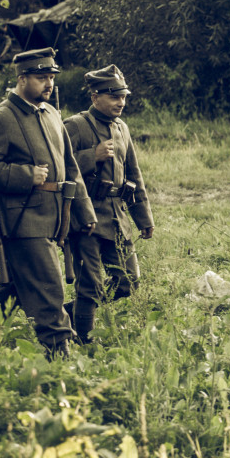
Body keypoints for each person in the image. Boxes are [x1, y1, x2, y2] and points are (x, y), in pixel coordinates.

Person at [0, 48, 97, 358]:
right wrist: (24, 175)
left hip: (54, 217)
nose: (49, 84)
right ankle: (60, 355)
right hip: (22, 221)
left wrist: (84, 211)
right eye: (41, 78)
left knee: (14, 291)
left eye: (51, 78)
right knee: (50, 290)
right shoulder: (1, 118)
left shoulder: (51, 114)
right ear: (22, 79)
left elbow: (70, 166)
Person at [63, 64, 154, 343]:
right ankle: (84, 339)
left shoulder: (122, 128)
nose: (121, 102)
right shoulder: (75, 125)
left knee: (128, 282)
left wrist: (144, 219)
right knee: (89, 283)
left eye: (123, 97)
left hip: (117, 216)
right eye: (114, 97)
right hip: (85, 214)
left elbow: (134, 175)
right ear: (95, 97)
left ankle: (70, 314)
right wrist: (92, 155)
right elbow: (58, 166)